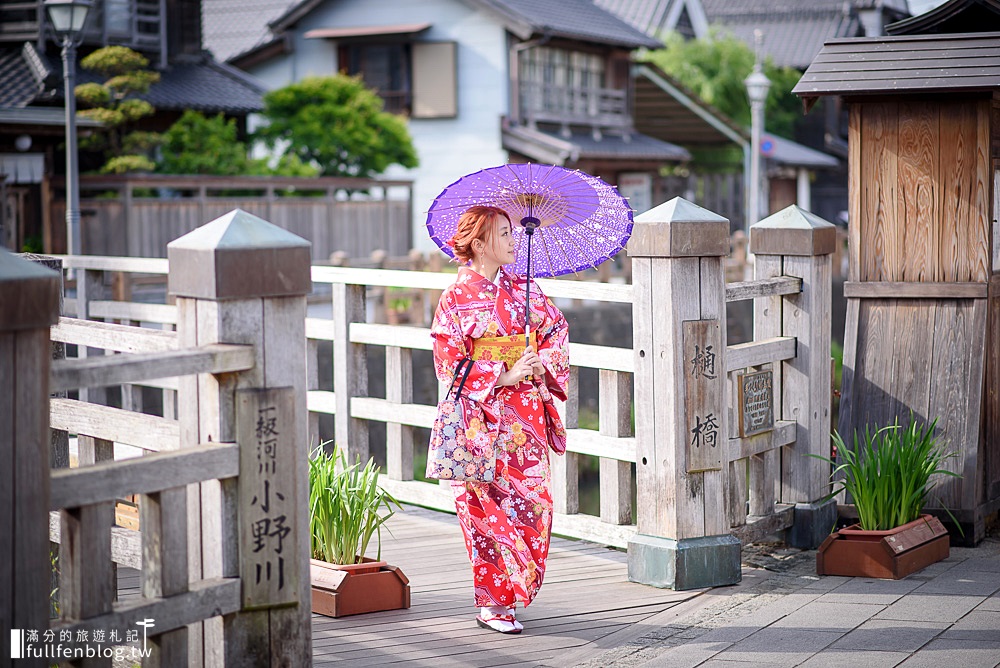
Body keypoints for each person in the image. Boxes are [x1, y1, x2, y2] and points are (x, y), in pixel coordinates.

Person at [430, 205, 570, 634]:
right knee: (483, 512)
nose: (513, 241)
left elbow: (557, 334)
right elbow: (448, 363)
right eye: (504, 233)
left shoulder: (526, 289)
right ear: (478, 243)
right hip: (480, 423)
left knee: (534, 506)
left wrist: (539, 361)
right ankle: (493, 603)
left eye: (513, 232)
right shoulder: (455, 299)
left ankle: (515, 590)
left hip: (524, 418)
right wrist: (501, 373)